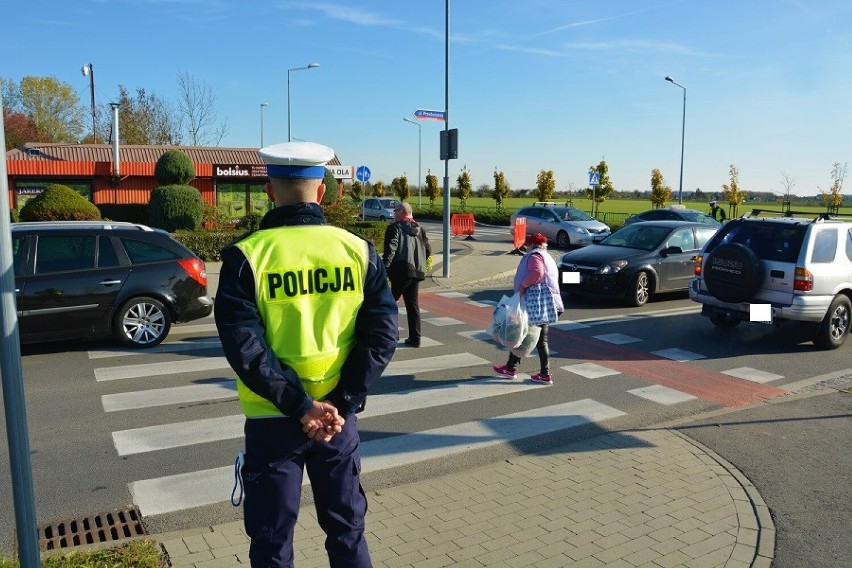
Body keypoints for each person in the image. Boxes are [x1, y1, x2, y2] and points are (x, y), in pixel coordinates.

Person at [215, 141, 398, 568]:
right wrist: (341, 402)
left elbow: (245, 349)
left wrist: (300, 406)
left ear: (269, 190)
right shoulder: (357, 251)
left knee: (271, 540)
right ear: (322, 193)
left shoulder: (246, 257)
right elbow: (382, 336)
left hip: (272, 421)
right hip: (338, 421)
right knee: (347, 534)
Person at [493, 233, 563, 385]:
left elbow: (537, 273)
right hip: (546, 304)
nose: (526, 247)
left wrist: (523, 286)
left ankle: (544, 374)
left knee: (534, 338)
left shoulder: (534, 256)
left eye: (528, 244)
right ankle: (510, 368)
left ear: (532, 244)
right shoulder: (547, 256)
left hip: (536, 304)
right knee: (523, 334)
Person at [383, 201, 431, 348]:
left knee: (389, 303)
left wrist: (384, 269)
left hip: (401, 270)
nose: (393, 213)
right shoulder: (420, 229)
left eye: (395, 211)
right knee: (412, 305)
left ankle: (392, 335)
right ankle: (415, 338)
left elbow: (391, 250)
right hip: (417, 271)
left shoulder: (395, 228)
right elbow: (427, 250)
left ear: (402, 212)